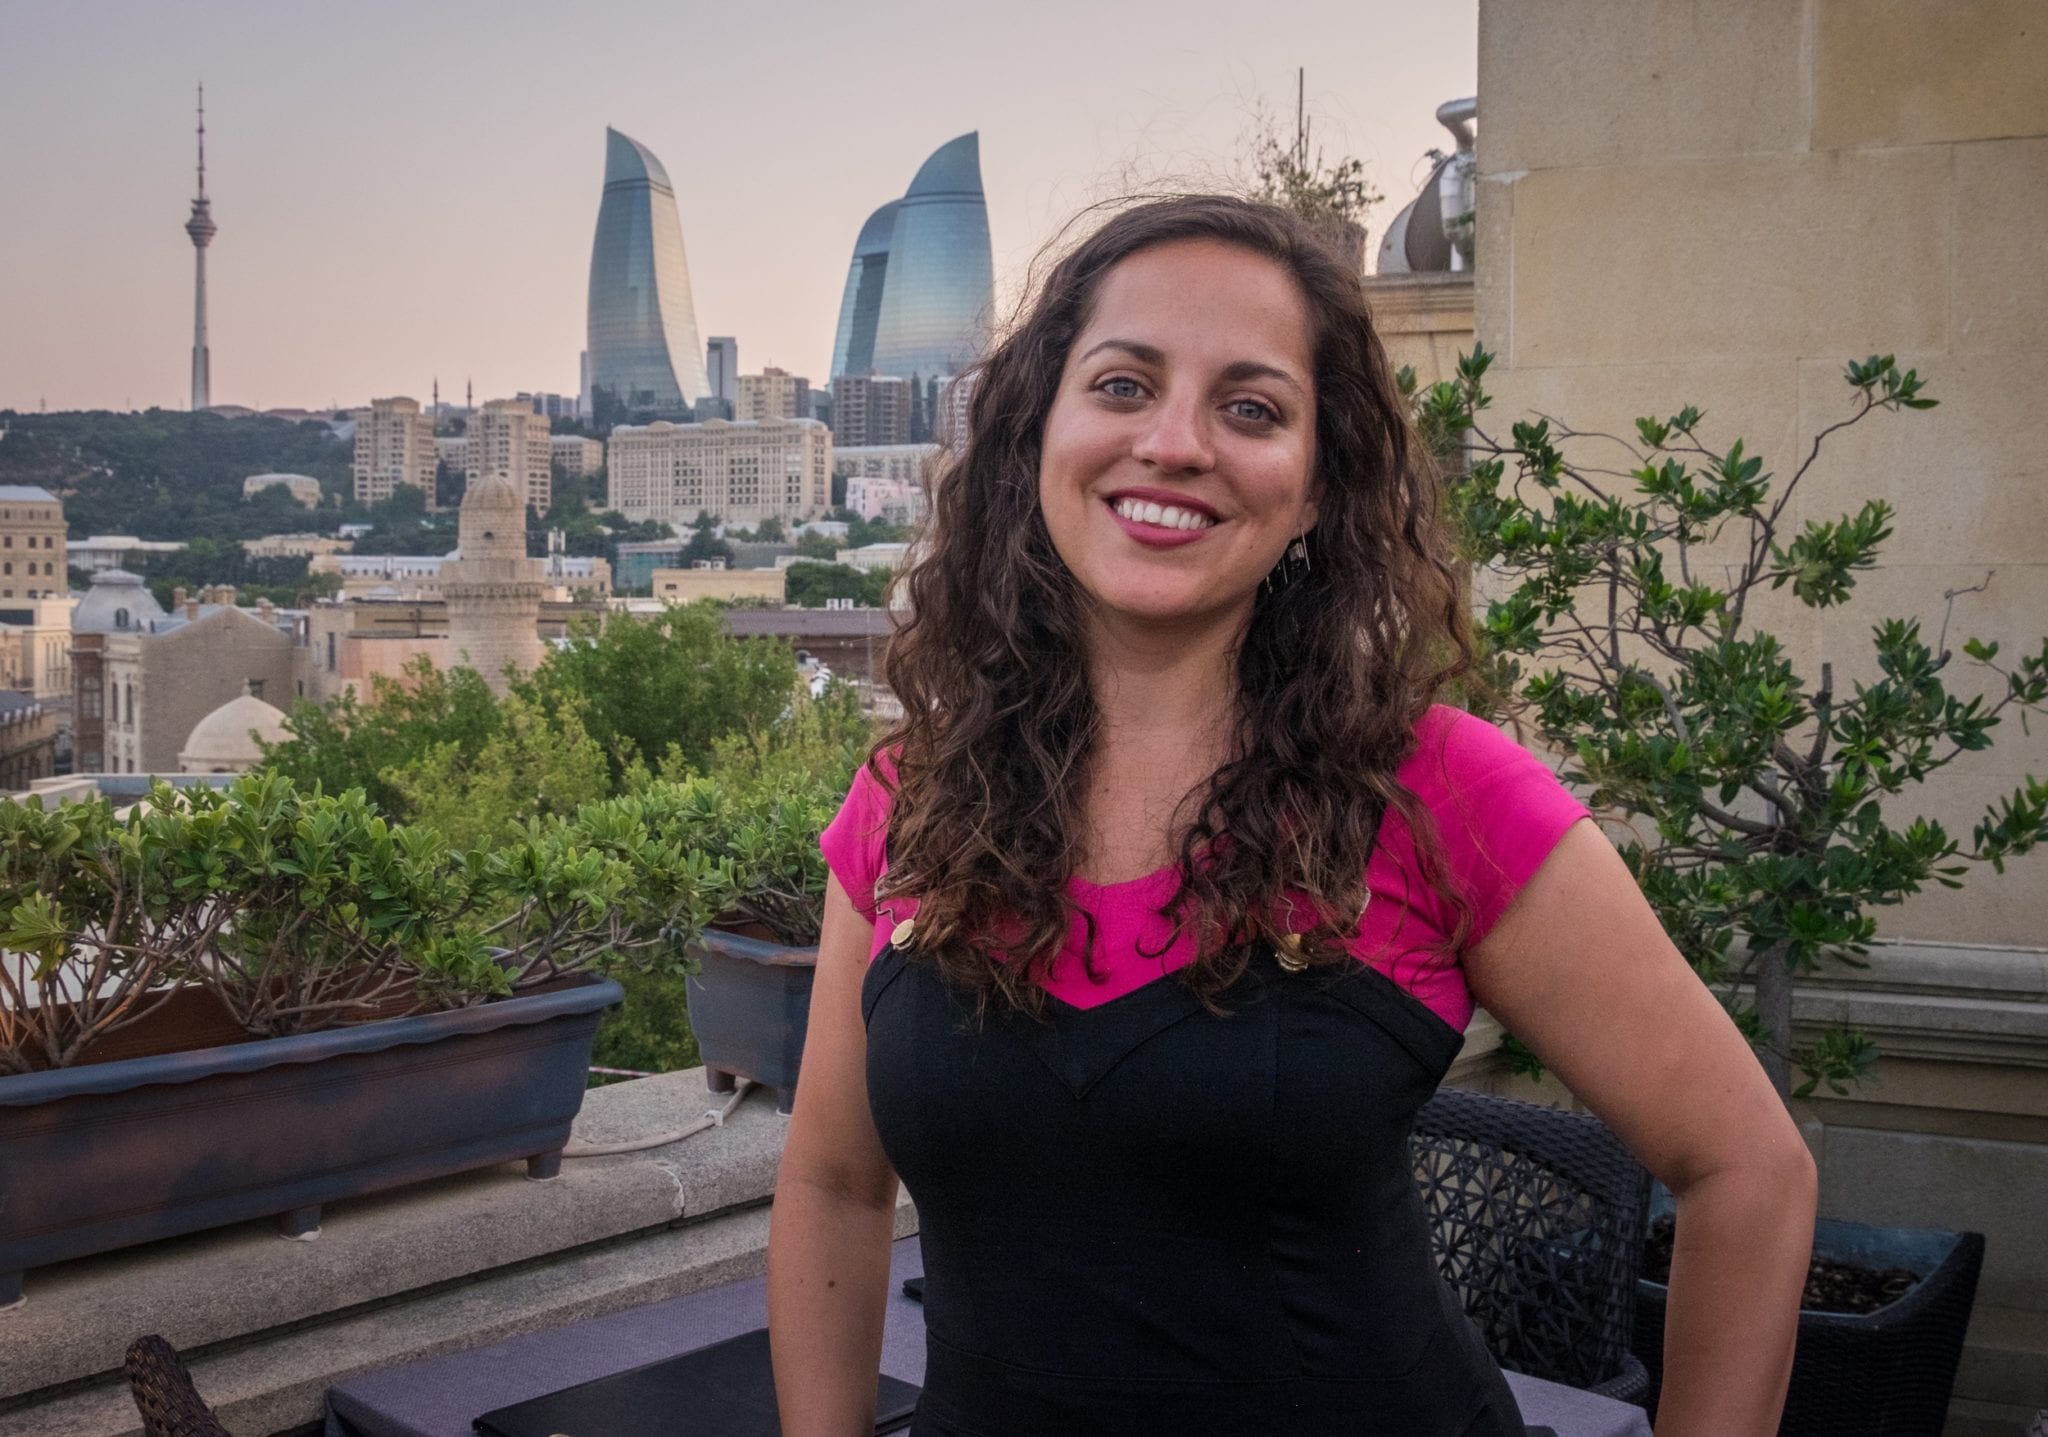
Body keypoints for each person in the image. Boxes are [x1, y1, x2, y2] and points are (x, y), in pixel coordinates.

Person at [767, 195, 1816, 1436]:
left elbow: (1748, 1170)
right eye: (1120, 384)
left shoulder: (1436, 791)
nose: (1173, 443)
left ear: (1317, 489)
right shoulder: (914, 796)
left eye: (1250, 408)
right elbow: (834, 1183)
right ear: (1035, 431)